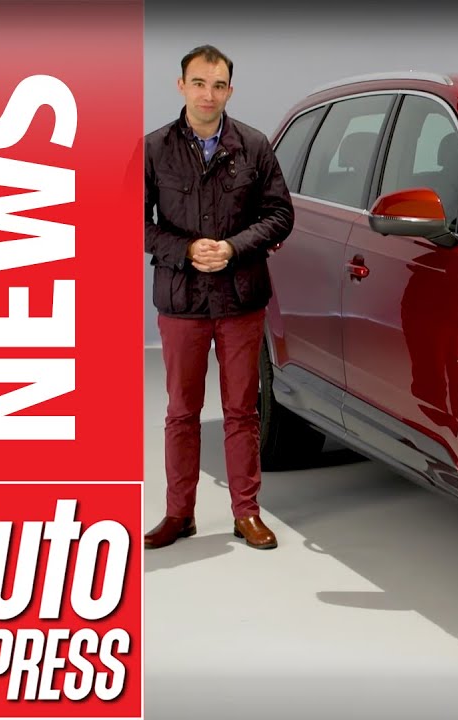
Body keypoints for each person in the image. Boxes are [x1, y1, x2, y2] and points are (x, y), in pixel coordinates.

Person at [143, 45, 293, 550]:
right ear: (181, 86)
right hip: (181, 298)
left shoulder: (254, 145)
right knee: (181, 412)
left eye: (219, 85)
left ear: (230, 90)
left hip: (240, 298)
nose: (208, 94)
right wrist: (186, 250)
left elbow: (280, 215)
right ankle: (178, 514)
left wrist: (232, 247)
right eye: (199, 83)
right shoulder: (154, 149)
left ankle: (246, 513)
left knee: (242, 410)